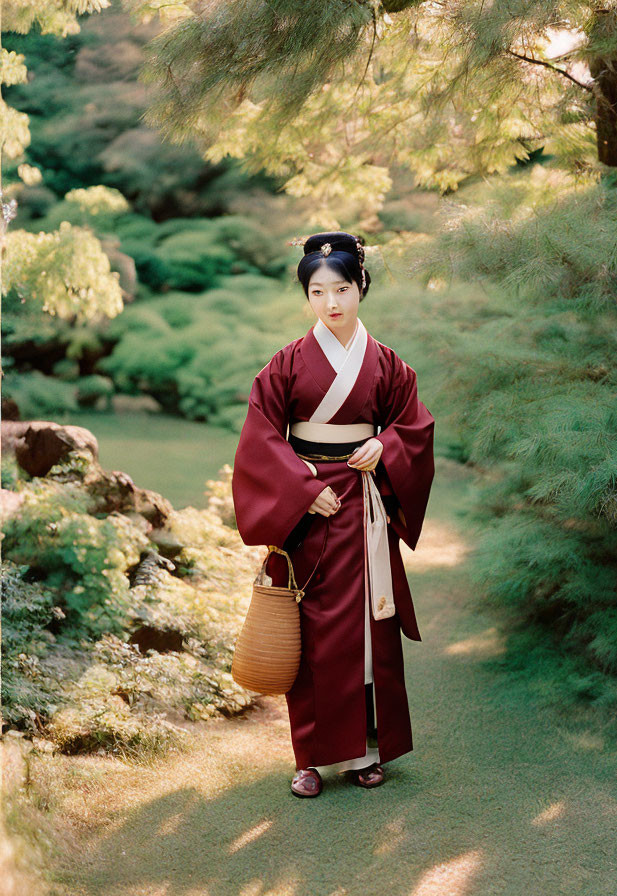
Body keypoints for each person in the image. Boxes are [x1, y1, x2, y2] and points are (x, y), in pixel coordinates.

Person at [232, 231, 435, 798]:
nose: (332, 304)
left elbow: (413, 427)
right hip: (313, 509)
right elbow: (260, 437)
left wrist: (385, 447)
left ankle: (366, 753)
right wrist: (300, 488)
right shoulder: (287, 365)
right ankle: (310, 758)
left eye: (342, 289)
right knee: (315, 634)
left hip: (365, 504)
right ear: (308, 297)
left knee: (370, 631)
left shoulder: (388, 365)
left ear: (361, 287)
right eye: (318, 292)